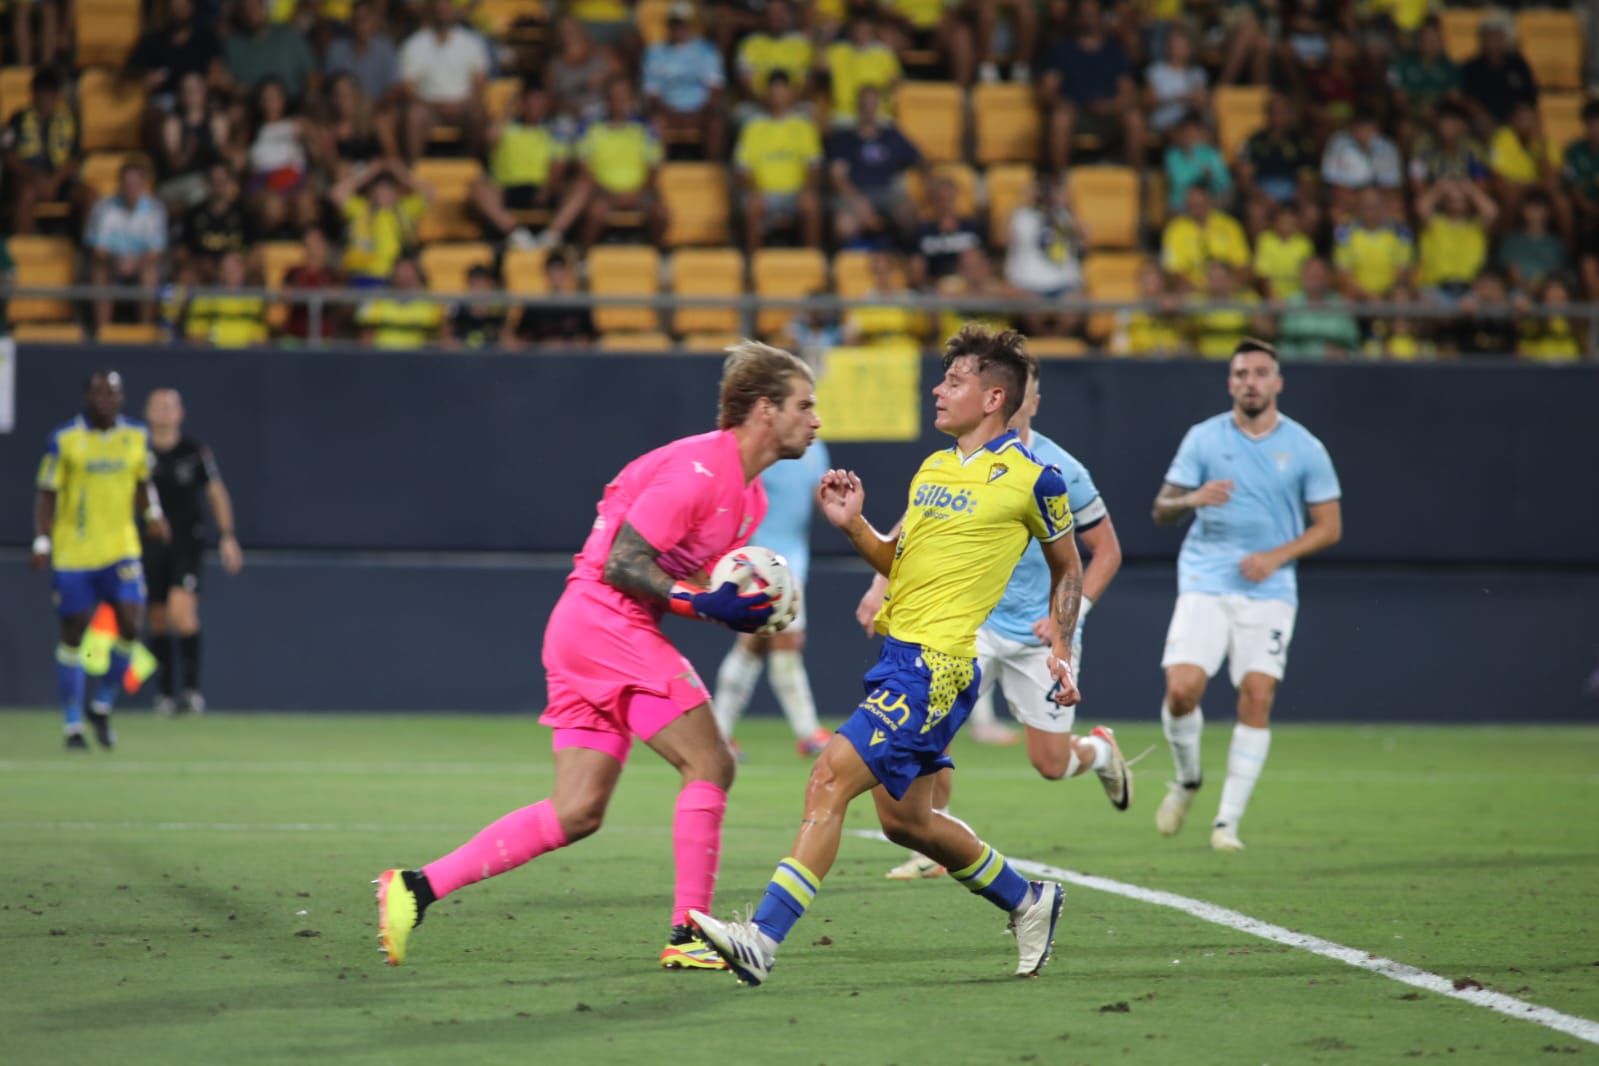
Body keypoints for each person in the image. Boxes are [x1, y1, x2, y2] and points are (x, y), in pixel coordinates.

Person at [690, 325, 1129, 986]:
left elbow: (1069, 567)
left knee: (828, 779)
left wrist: (1062, 644)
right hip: (901, 657)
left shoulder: (1036, 481)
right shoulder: (933, 469)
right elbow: (899, 561)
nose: (938, 387)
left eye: (954, 380)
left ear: (992, 396)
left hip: (941, 667)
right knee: (908, 824)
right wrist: (855, 526)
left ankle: (762, 937)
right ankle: (1027, 899)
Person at [375, 342, 820, 973]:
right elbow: (624, 563)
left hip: (590, 629)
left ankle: (415, 889)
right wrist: (705, 602)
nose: (816, 419)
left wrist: (731, 606)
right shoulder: (699, 470)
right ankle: (690, 932)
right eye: (806, 405)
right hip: (604, 619)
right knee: (711, 763)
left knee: (577, 811)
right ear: (765, 409)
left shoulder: (752, 501)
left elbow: (683, 584)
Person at [855, 360, 1127, 878]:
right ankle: (934, 838)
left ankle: (1098, 752)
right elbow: (923, 520)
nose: (1013, 402)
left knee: (1049, 763)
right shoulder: (957, 459)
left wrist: (1066, 622)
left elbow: (1104, 552)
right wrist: (878, 584)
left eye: (1024, 394)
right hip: (971, 624)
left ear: (1026, 399)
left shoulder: (1057, 471)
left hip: (1035, 632)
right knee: (930, 725)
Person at [1150, 339, 1343, 851]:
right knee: (1181, 691)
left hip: (1269, 588)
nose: (1250, 382)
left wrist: (1276, 557)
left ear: (1277, 382)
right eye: (1241, 374)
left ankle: (1226, 823)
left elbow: (1329, 527)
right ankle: (1188, 778)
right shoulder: (1203, 439)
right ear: (1230, 383)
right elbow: (1161, 509)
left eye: (1260, 373)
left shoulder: (1305, 447)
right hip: (1205, 581)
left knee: (1257, 695)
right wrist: (1192, 498)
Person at [30, 370, 171, 751]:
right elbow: (47, 493)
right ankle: (72, 724)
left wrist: (153, 513)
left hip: (121, 549)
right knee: (74, 632)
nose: (105, 400)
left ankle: (103, 702)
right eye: (98, 394)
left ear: (122, 398)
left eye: (112, 393)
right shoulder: (65, 441)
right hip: (74, 553)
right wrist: (42, 540)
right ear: (86, 398)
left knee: (130, 622)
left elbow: (143, 483)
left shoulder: (135, 438)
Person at [712, 435, 833, 758]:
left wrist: (835, 501)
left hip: (793, 562)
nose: (810, 417)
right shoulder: (759, 448)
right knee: (782, 642)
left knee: (755, 644)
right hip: (759, 560)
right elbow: (734, 494)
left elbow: (819, 499)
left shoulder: (814, 448)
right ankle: (807, 733)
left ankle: (719, 734)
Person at [141, 388, 243, 716]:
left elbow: (216, 492)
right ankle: (165, 693)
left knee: (181, 614)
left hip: (187, 542)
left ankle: (191, 690)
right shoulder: (137, 453)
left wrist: (227, 535)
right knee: (157, 618)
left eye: (170, 406)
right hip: (149, 543)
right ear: (147, 412)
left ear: (180, 413)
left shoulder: (194, 452)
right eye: (158, 406)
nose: (164, 412)